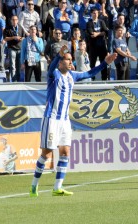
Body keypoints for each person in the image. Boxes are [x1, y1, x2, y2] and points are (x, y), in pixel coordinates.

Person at [29, 45, 117, 197]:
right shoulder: (54, 74)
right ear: (61, 62)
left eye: (71, 60)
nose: (71, 63)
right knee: (47, 154)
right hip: (52, 119)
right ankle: (34, 186)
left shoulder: (72, 76)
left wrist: (105, 63)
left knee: (65, 152)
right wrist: (58, 55)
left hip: (64, 121)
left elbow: (89, 73)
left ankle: (57, 187)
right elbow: (50, 70)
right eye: (68, 60)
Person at [86, 7, 109, 80]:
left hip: (102, 46)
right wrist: (101, 33)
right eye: (94, 13)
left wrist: (97, 34)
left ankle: (104, 80)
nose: (95, 14)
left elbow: (106, 32)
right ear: (91, 14)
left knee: (103, 64)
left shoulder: (101, 22)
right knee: (92, 64)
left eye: (96, 13)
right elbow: (91, 33)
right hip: (93, 47)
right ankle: (92, 79)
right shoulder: (89, 23)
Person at [3, 15, 23, 82]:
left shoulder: (20, 27)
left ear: (18, 20)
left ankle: (18, 80)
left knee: (18, 66)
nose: (14, 21)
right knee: (12, 66)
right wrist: (14, 37)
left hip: (19, 48)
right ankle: (14, 81)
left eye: (16, 19)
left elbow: (24, 37)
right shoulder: (7, 28)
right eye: (13, 20)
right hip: (11, 48)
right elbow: (5, 38)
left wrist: (21, 39)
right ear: (11, 21)